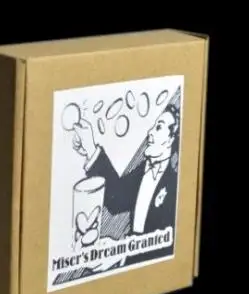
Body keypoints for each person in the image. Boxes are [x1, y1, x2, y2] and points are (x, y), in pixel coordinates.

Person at [73, 104, 180, 248]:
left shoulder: (174, 184)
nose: (150, 132)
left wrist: (122, 249)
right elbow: (116, 199)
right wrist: (90, 148)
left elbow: (168, 243)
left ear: (171, 139)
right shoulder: (144, 169)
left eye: (159, 127)